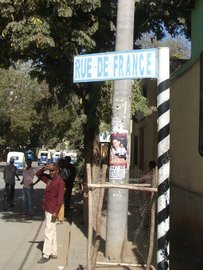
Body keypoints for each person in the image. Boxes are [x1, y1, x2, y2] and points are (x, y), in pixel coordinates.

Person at [34, 163, 65, 264]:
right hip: (47, 208)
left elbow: (60, 200)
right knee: (52, 231)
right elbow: (38, 174)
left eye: (53, 171)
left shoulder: (60, 182)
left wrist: (56, 212)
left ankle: (46, 254)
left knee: (48, 232)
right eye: (50, 171)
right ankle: (54, 252)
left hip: (52, 211)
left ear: (58, 171)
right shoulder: (49, 179)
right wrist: (44, 168)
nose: (51, 172)